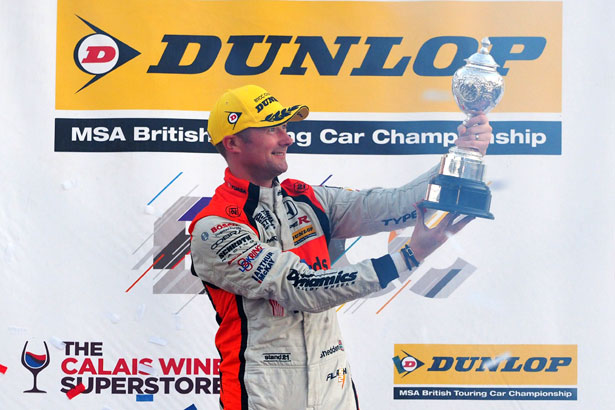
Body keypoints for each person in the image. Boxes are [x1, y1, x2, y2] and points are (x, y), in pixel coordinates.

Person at [189, 85, 492, 410]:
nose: (287, 138)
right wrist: (407, 257)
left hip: (335, 395)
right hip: (263, 400)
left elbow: (393, 205)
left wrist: (459, 158)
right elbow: (303, 289)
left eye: (285, 127)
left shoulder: (309, 200)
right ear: (232, 142)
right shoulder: (214, 228)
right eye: (271, 128)